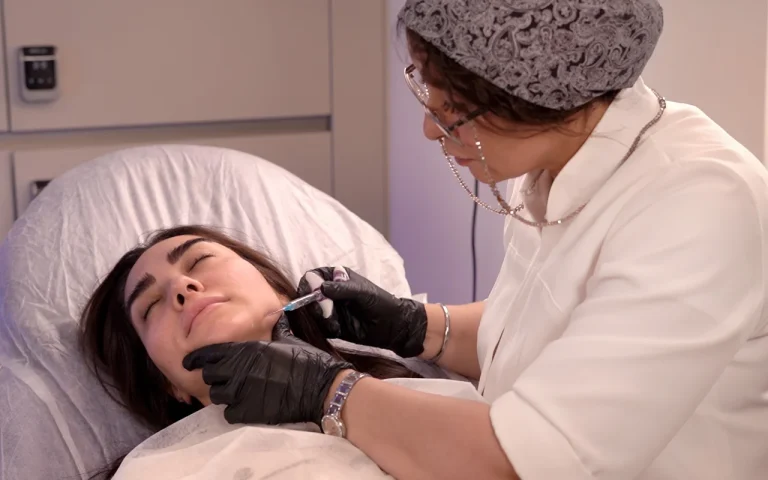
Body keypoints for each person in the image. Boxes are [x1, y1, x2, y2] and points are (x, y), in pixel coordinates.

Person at [181, 1, 768, 479]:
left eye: (452, 110)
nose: (429, 128)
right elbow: (548, 328)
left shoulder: (700, 203)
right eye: (426, 92)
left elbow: (529, 461)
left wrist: (328, 392)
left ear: (535, 96)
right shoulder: (553, 160)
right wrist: (418, 326)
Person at [78, 224, 446, 479]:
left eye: (199, 261)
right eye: (150, 305)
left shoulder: (427, 396)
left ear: (278, 290)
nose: (181, 286)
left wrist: (414, 325)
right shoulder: (156, 473)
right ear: (167, 383)